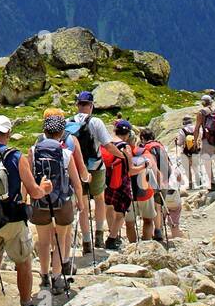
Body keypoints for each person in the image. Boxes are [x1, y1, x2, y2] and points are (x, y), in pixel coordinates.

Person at [0, 114, 48, 306]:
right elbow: (34, 191)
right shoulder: (16, 156)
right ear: (8, 133)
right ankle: (26, 304)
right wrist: (44, 188)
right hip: (12, 218)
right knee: (23, 261)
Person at [29, 112, 84, 295]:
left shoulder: (32, 150)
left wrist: (26, 200)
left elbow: (27, 180)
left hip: (40, 200)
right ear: (61, 132)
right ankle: (57, 277)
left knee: (44, 241)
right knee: (61, 238)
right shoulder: (66, 153)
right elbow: (76, 182)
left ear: (44, 130)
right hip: (63, 201)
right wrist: (81, 203)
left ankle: (44, 276)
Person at [66, 92, 117, 253]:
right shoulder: (96, 122)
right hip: (96, 166)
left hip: (76, 168)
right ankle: (99, 235)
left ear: (78, 104)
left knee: (82, 204)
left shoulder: (69, 122)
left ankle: (86, 241)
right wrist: (122, 156)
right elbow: (108, 145)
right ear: (91, 105)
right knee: (99, 198)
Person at [99, 119, 140, 251]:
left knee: (109, 207)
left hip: (106, 181)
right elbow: (131, 170)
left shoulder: (106, 144)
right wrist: (144, 166)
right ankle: (112, 239)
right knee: (121, 212)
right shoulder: (124, 147)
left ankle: (113, 234)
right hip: (121, 183)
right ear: (127, 134)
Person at [138, 126, 171, 244]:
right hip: (165, 180)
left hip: (154, 180)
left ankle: (156, 231)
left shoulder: (146, 148)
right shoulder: (160, 146)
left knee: (155, 206)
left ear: (142, 137)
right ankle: (160, 228)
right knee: (160, 206)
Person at [175, 115, 202, 190]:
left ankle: (191, 185)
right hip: (196, 150)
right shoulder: (197, 128)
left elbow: (180, 143)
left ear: (184, 122)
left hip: (185, 152)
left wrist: (176, 141)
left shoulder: (182, 131)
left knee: (187, 169)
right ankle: (199, 182)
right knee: (196, 167)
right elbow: (201, 137)